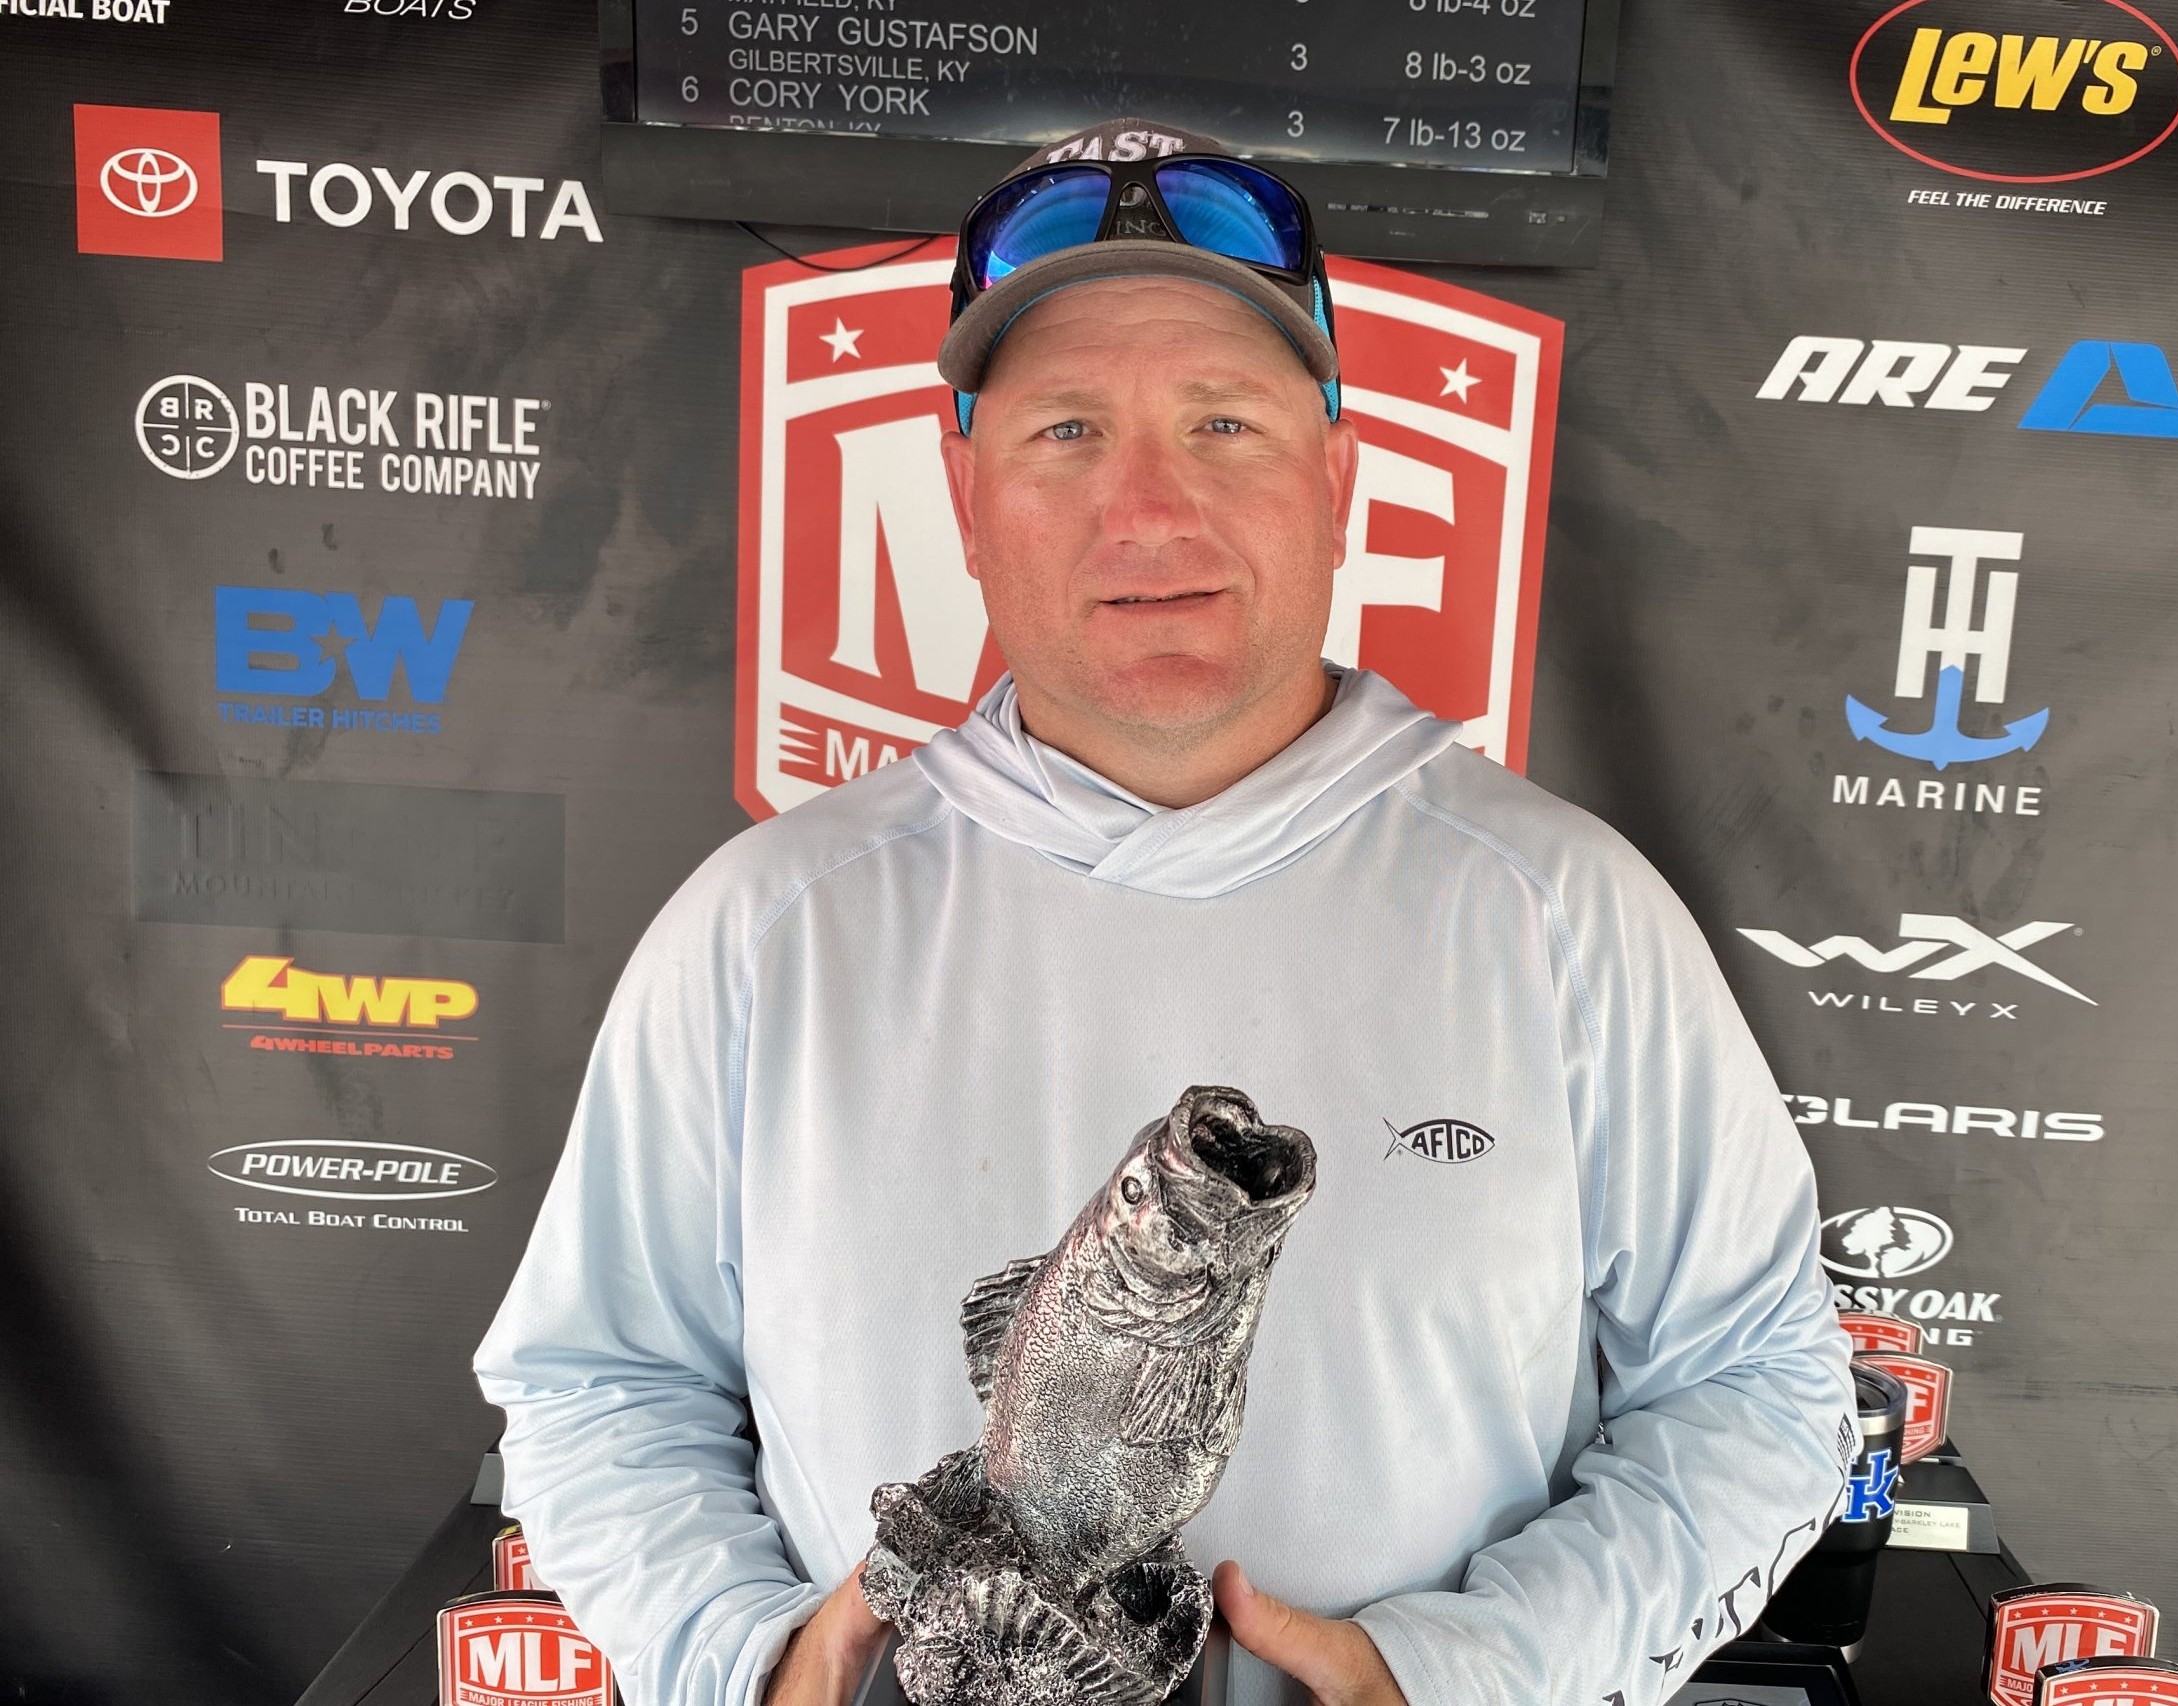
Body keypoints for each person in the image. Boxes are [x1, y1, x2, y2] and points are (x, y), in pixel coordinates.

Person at [474, 118, 1855, 1706]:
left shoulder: (1566, 916)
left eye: (1224, 422)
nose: (1148, 505)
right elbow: (597, 1380)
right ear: (966, 497)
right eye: (1067, 429)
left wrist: (1470, 1675)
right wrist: (749, 1660)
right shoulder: (766, 929)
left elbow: (1760, 1387)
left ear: (1338, 478)